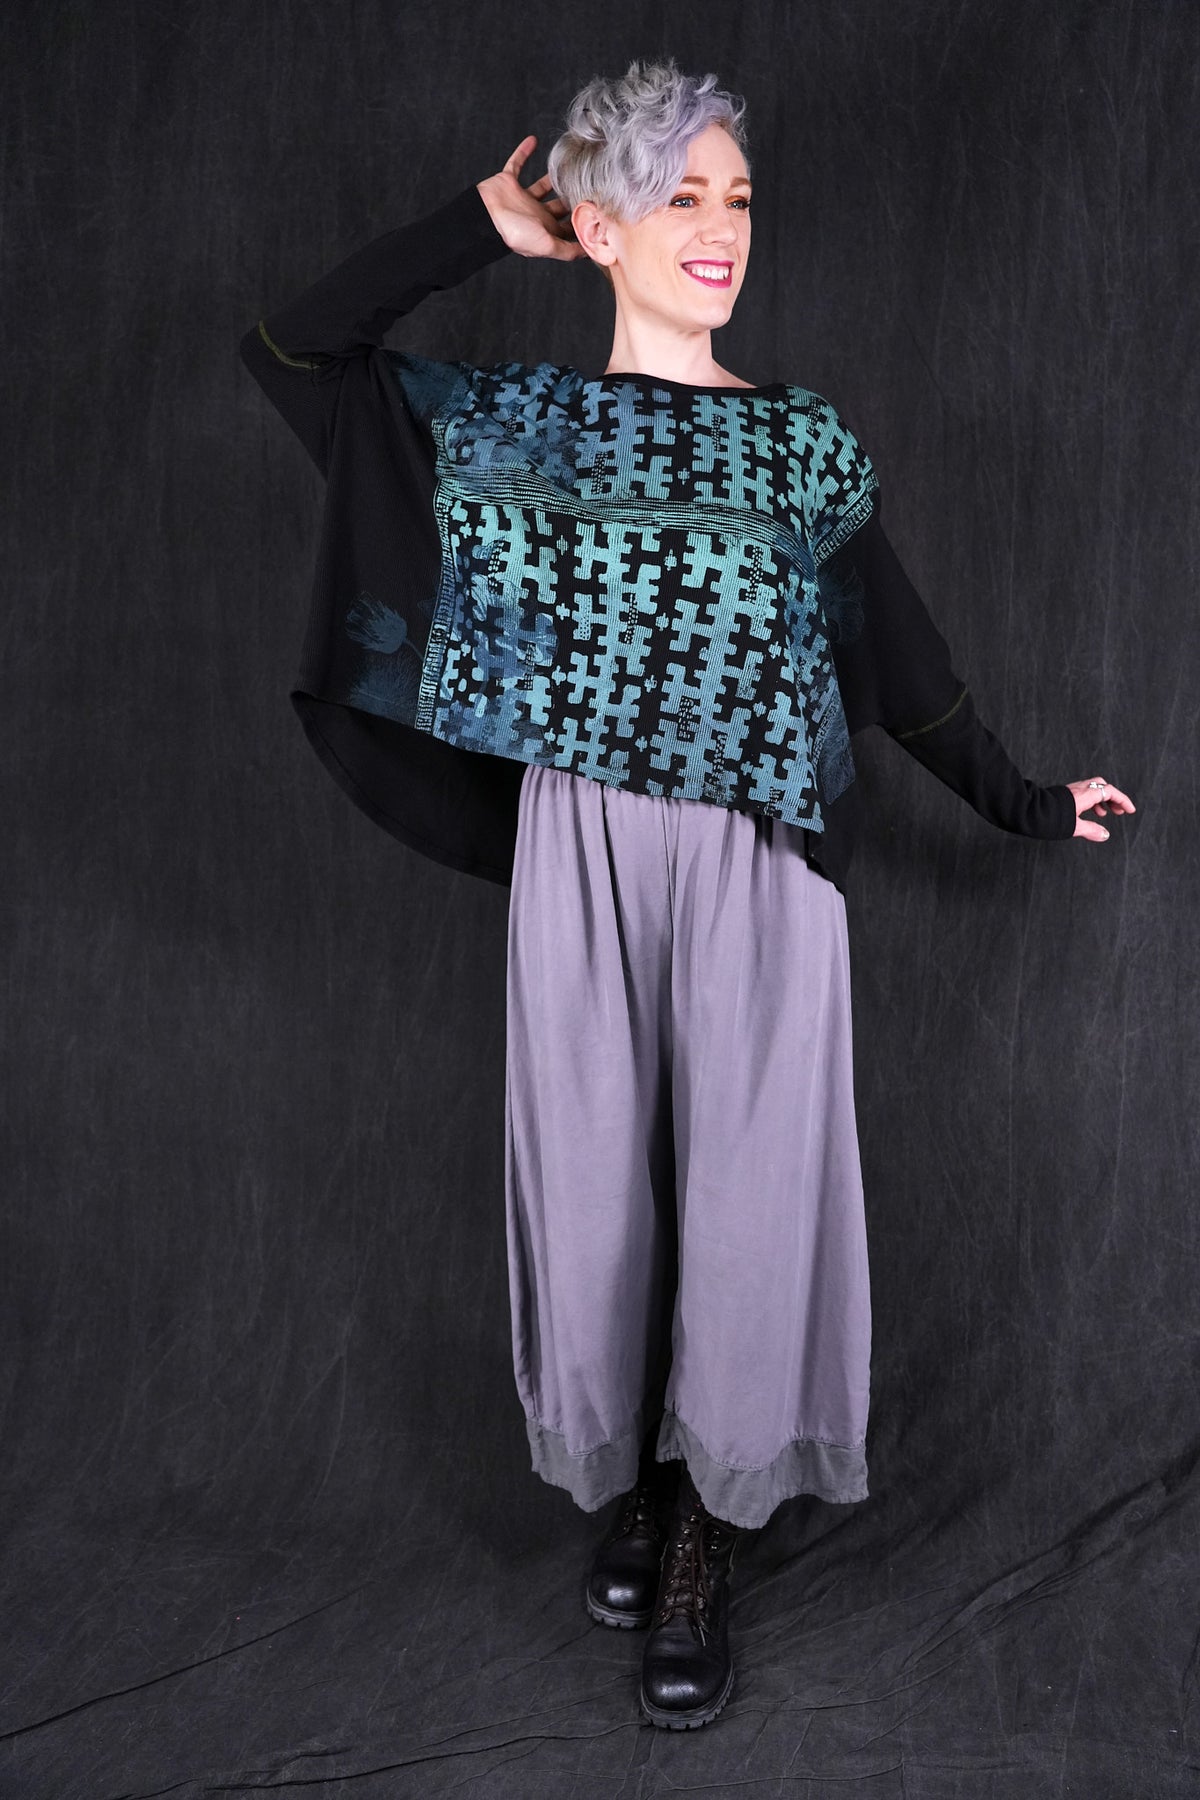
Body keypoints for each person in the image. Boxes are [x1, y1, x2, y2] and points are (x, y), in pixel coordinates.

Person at [239, 57, 1135, 1733]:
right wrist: (477, 226)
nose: (719, 228)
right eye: (680, 197)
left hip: (754, 858)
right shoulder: (508, 431)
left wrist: (1023, 795)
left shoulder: (798, 445)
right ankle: (639, 1483)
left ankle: (709, 1520)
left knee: (745, 1198)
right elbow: (291, 349)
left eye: (737, 198)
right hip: (578, 851)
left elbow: (899, 658)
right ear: (600, 227)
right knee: (591, 1191)